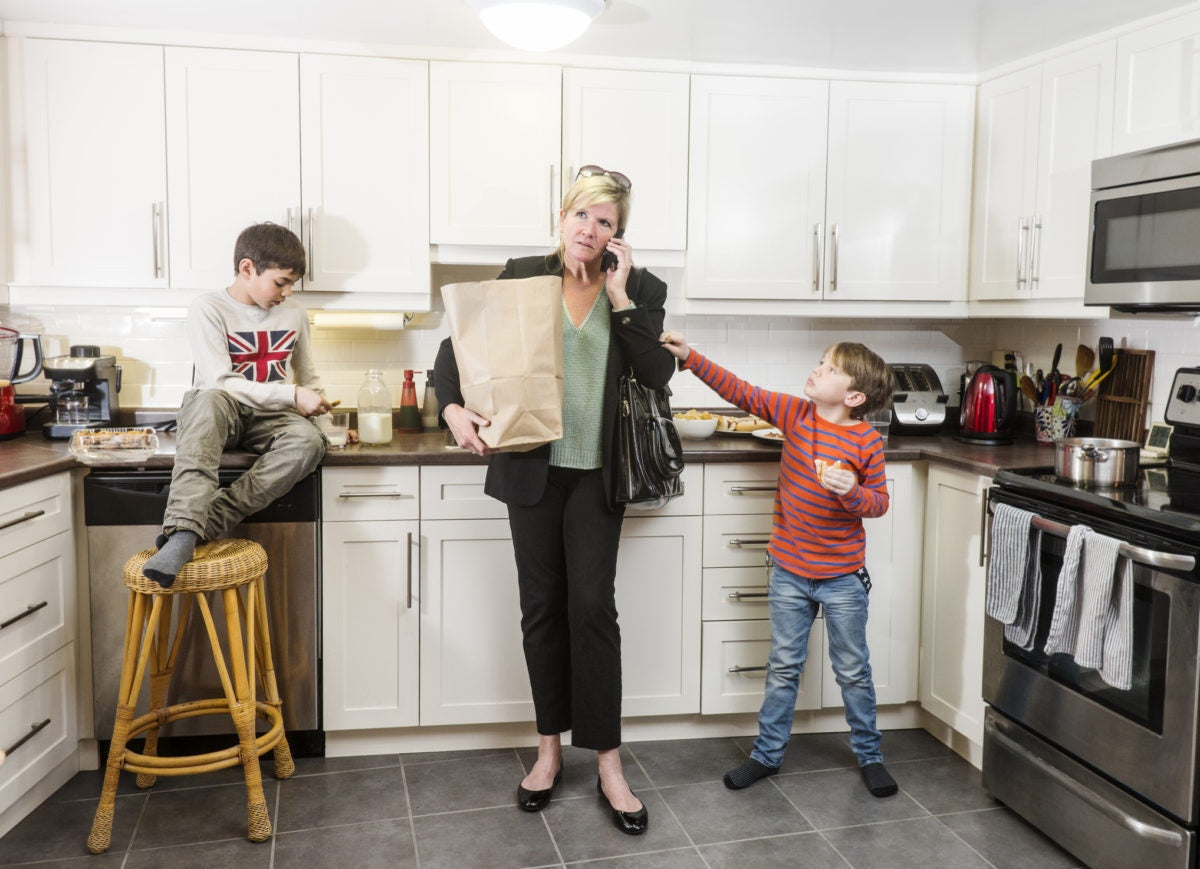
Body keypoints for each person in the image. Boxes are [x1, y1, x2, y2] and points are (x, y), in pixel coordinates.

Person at [434, 166, 674, 835]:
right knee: (541, 607)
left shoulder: (642, 288)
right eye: (582, 216)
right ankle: (546, 753)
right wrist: (452, 407)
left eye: (606, 222)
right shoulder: (523, 274)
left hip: (599, 474)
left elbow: (656, 372)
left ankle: (608, 763)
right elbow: (455, 351)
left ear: (618, 235)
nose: (590, 231)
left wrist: (622, 298)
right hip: (532, 472)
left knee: (593, 609)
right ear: (562, 216)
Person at [659, 332, 899, 798]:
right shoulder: (795, 414)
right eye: (821, 361)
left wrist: (850, 491)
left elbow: (879, 504)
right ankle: (766, 756)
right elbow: (740, 391)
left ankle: (870, 756)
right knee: (784, 666)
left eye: (830, 368)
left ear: (853, 396)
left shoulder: (867, 442)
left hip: (844, 579)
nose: (818, 369)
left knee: (853, 669)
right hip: (788, 572)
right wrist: (691, 357)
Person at [142, 223, 342, 586]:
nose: (287, 292)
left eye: (291, 284)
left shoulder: (294, 313)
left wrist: (326, 426)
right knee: (207, 402)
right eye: (281, 282)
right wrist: (292, 395)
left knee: (309, 443)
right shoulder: (208, 308)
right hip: (222, 409)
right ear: (248, 269)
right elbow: (221, 381)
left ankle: (199, 526)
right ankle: (184, 529)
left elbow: (307, 374)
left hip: (274, 416)